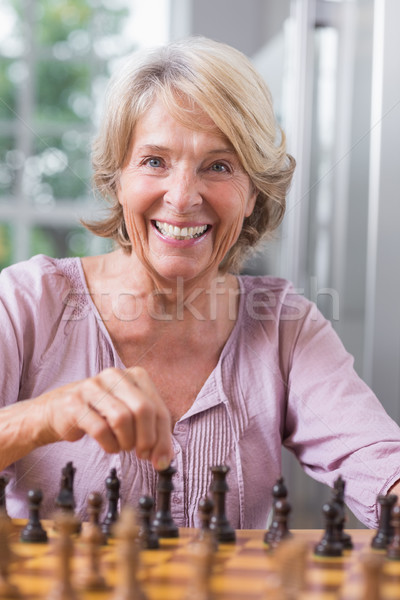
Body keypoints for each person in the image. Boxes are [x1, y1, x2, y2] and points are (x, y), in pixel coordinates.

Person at [0, 36, 399, 529]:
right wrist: (40, 416)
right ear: (116, 178)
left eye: (219, 166)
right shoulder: (25, 304)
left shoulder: (284, 325)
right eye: (154, 161)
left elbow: (378, 463)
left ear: (253, 193)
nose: (184, 196)